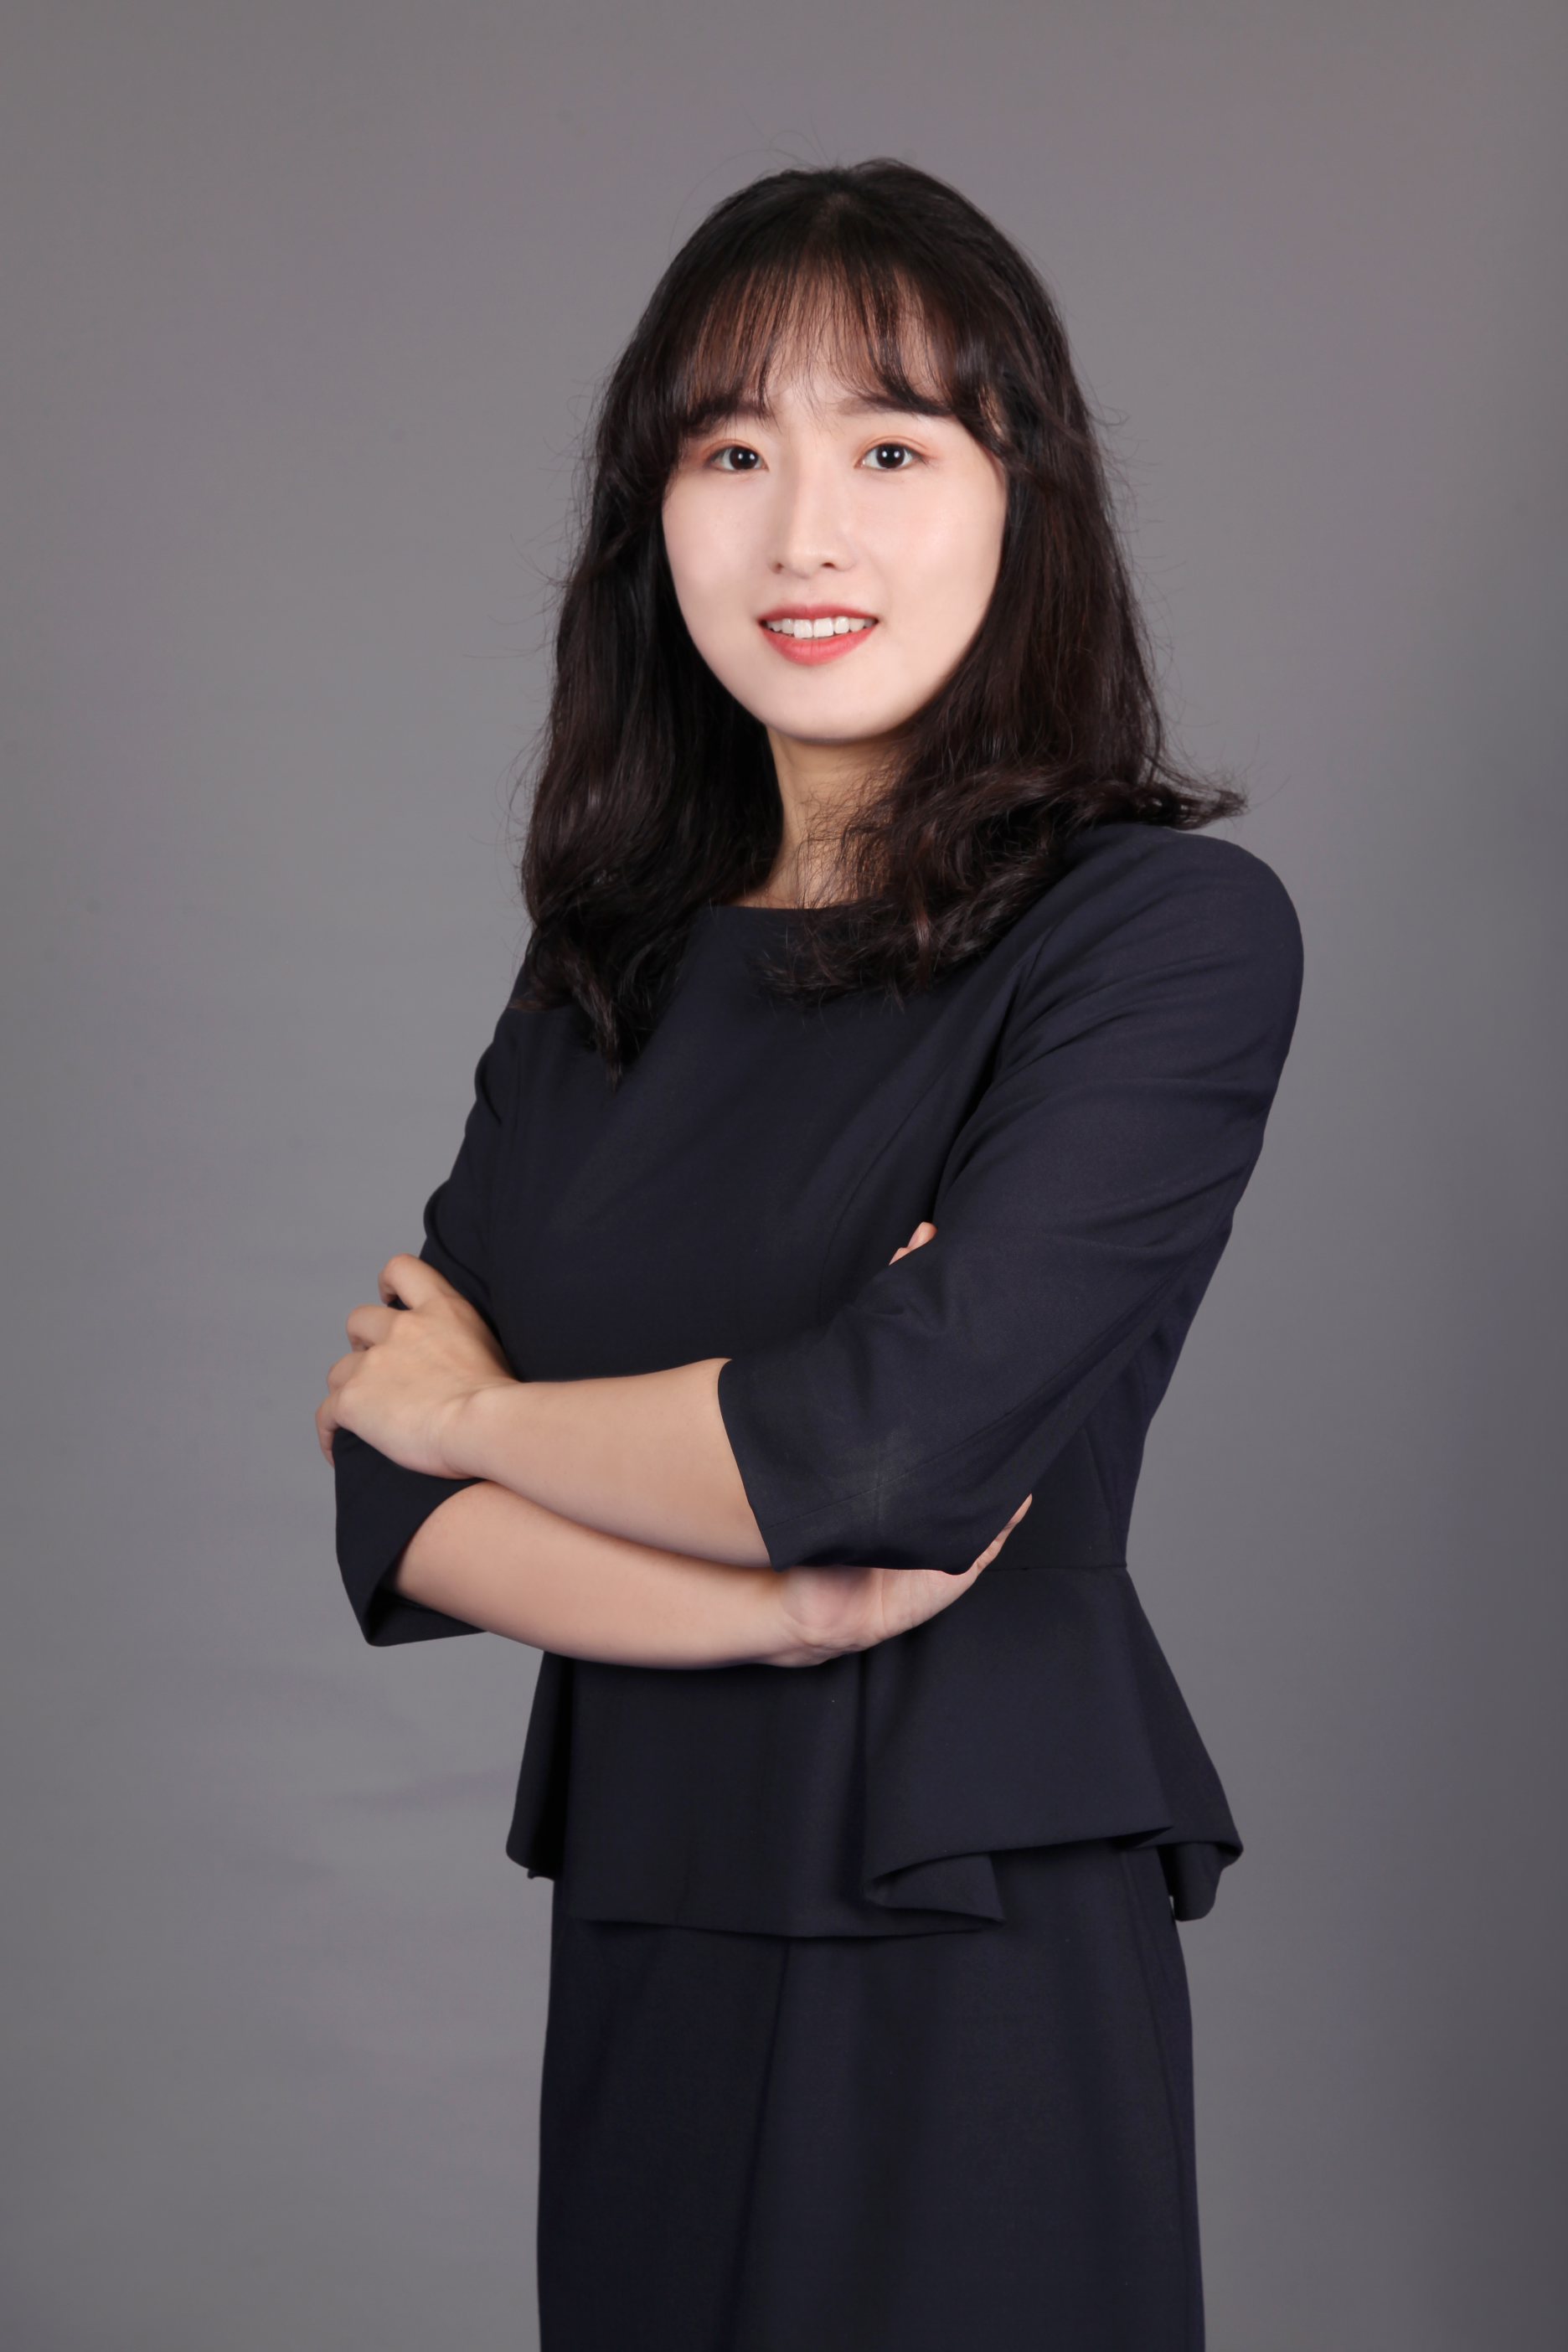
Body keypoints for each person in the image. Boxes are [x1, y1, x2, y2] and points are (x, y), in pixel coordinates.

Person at [317, 159, 1302, 2352]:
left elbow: (883, 1454)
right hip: (654, 1919)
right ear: (648, 517)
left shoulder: (1161, 937)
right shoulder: (607, 973)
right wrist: (764, 1610)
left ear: (1024, 501)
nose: (804, 536)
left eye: (892, 447)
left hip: (966, 1925)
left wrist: (487, 1413)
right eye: (730, 453)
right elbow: (383, 1502)